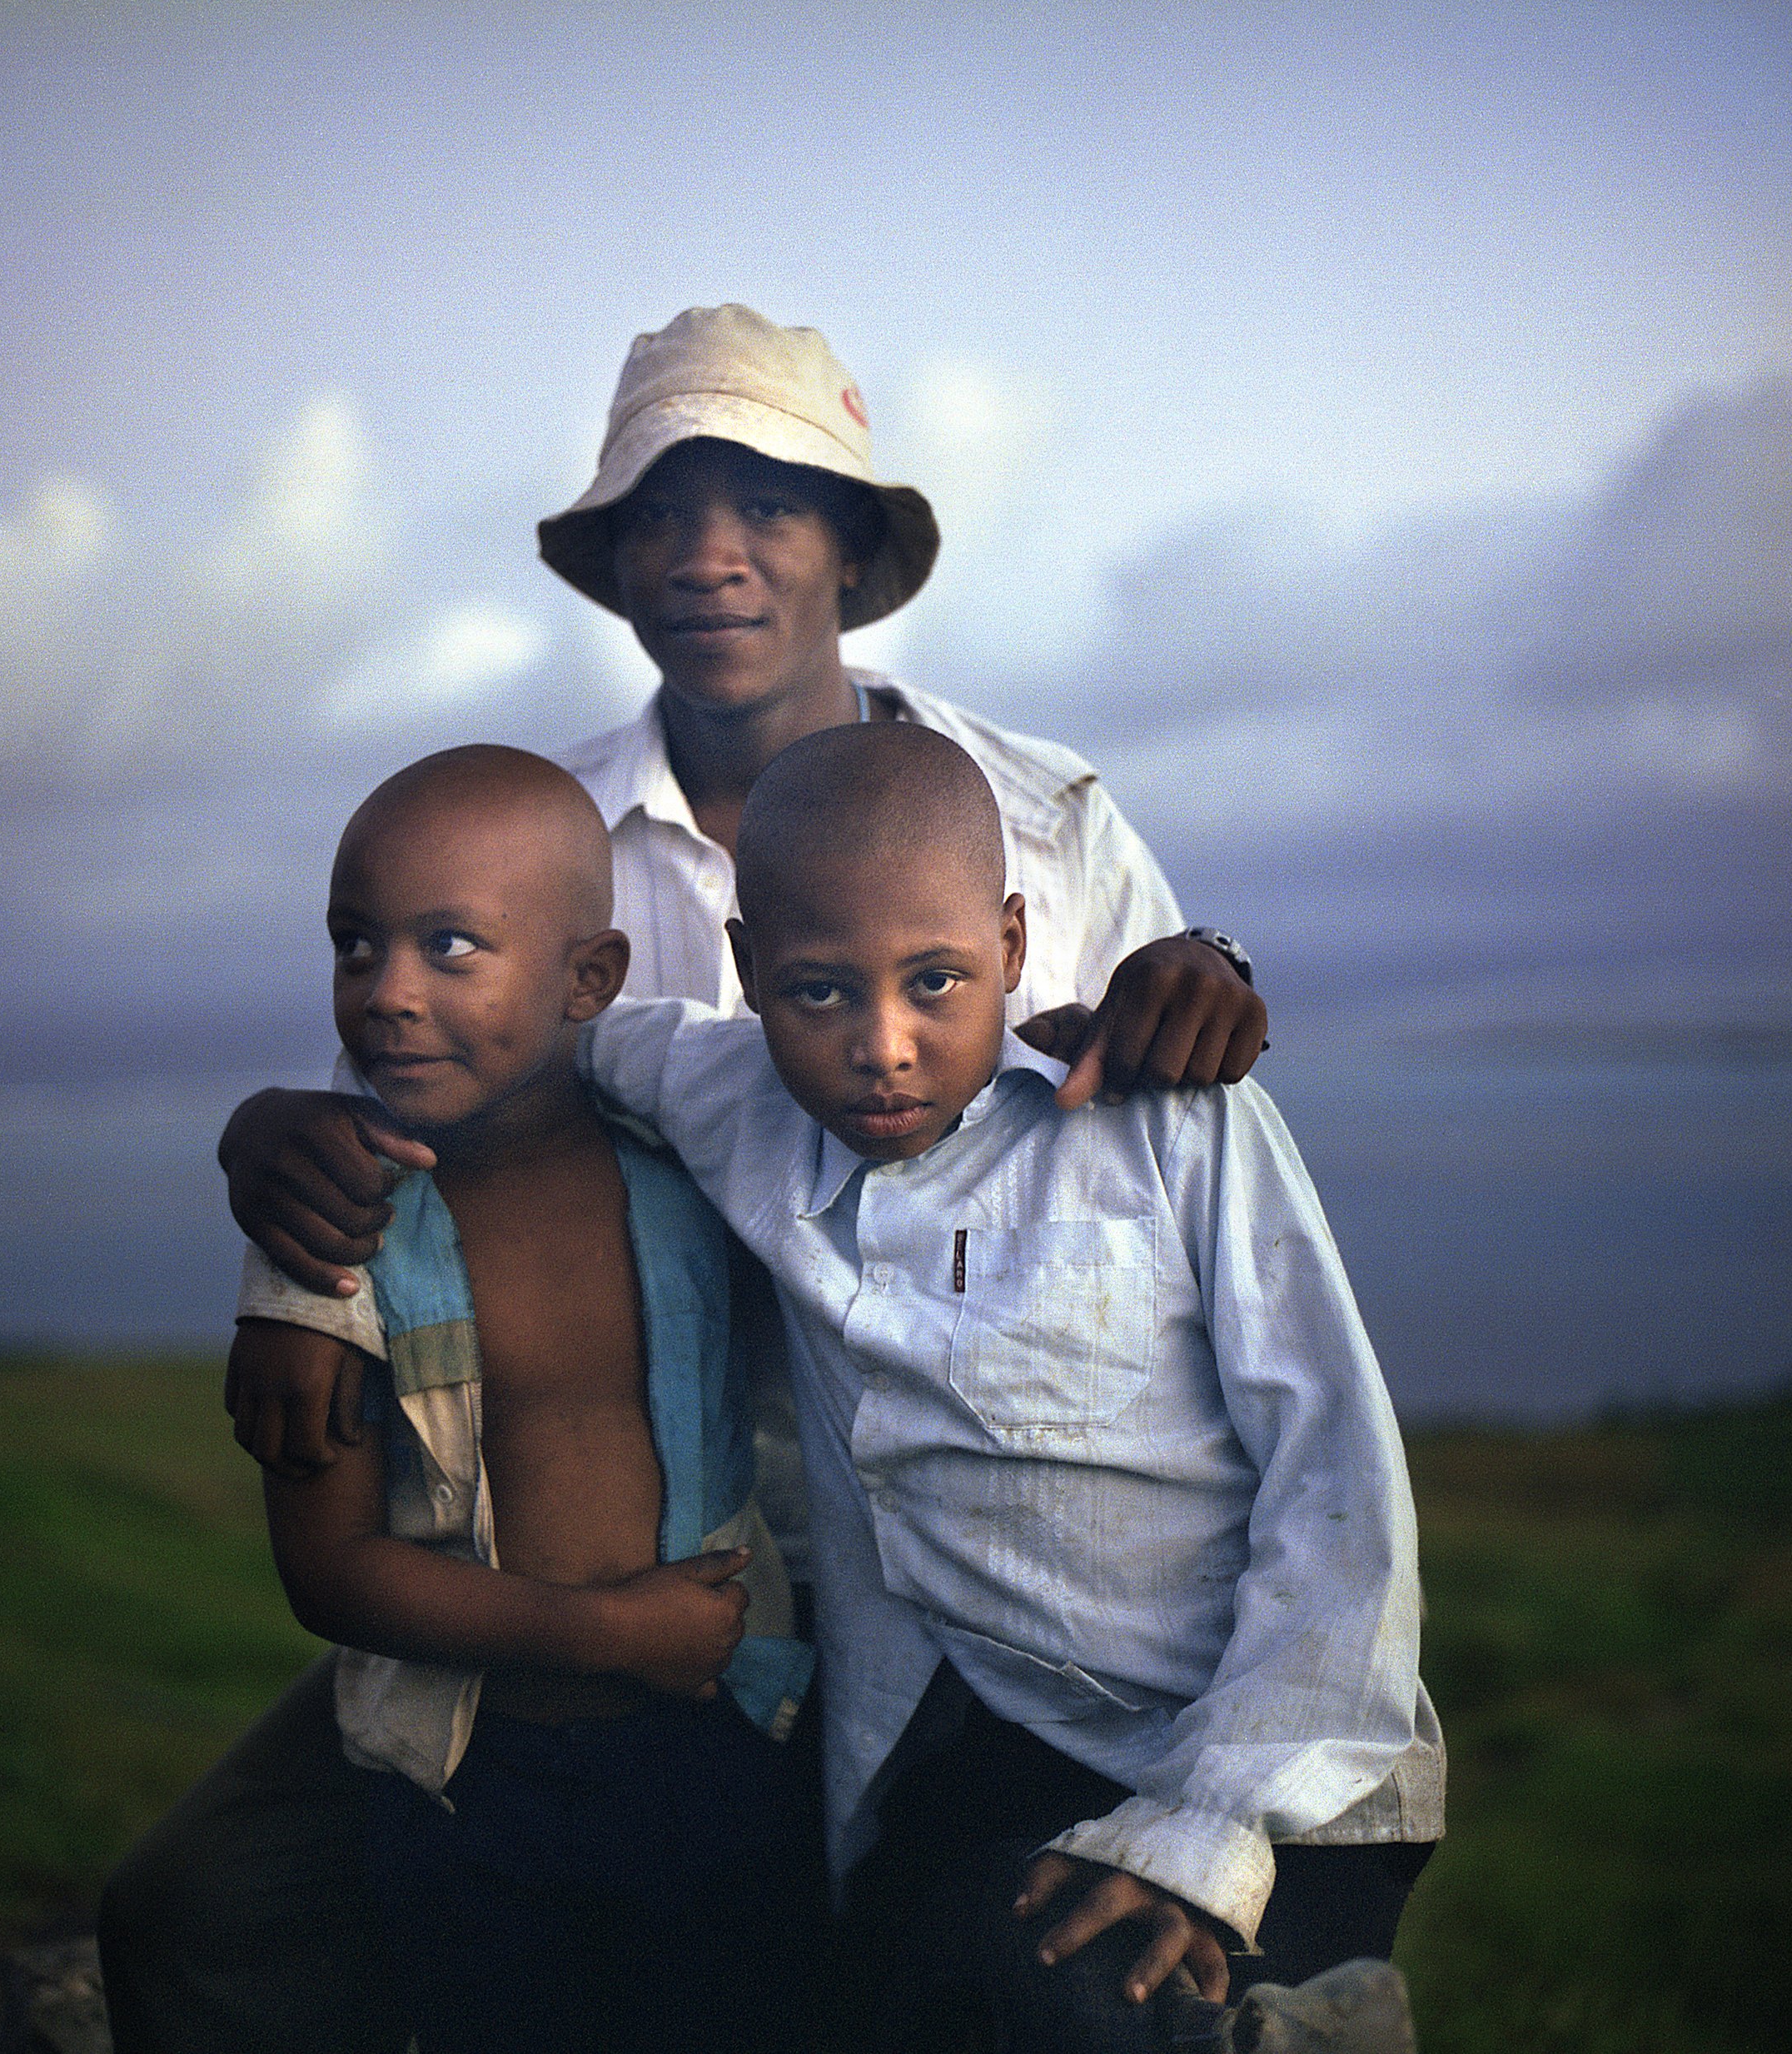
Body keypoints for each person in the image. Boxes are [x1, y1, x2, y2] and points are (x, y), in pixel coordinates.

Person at [101, 305, 1268, 2054]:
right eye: (657, 510)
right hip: (589, 1536)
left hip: (961, 1543)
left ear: (854, 549)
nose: (706, 553)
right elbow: (392, 1119)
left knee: (909, 1966)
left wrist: (1202, 983)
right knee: (198, 1909)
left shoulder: (1041, 815)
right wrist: (266, 1134)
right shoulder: (533, 831)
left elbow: (1158, 1132)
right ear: (614, 561)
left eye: (769, 503)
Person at [578, 721, 1445, 2052]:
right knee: (872, 1983)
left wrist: (1206, 1827)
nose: (883, 1045)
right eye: (817, 991)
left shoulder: (1169, 1125)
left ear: (1016, 941)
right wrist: (300, 1122)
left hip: (1277, 1750)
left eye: (937, 980)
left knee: (1068, 1975)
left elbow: (1335, 1487)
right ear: (747, 971)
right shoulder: (729, 1095)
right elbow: (529, 1032)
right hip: (1000, 1737)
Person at [237, 745, 814, 2054]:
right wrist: (609, 1634)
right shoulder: (331, 1235)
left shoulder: (692, 1172)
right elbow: (327, 1575)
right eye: (353, 945)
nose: (384, 994)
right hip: (465, 1792)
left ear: (589, 981)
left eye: (451, 947)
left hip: (725, 1739)